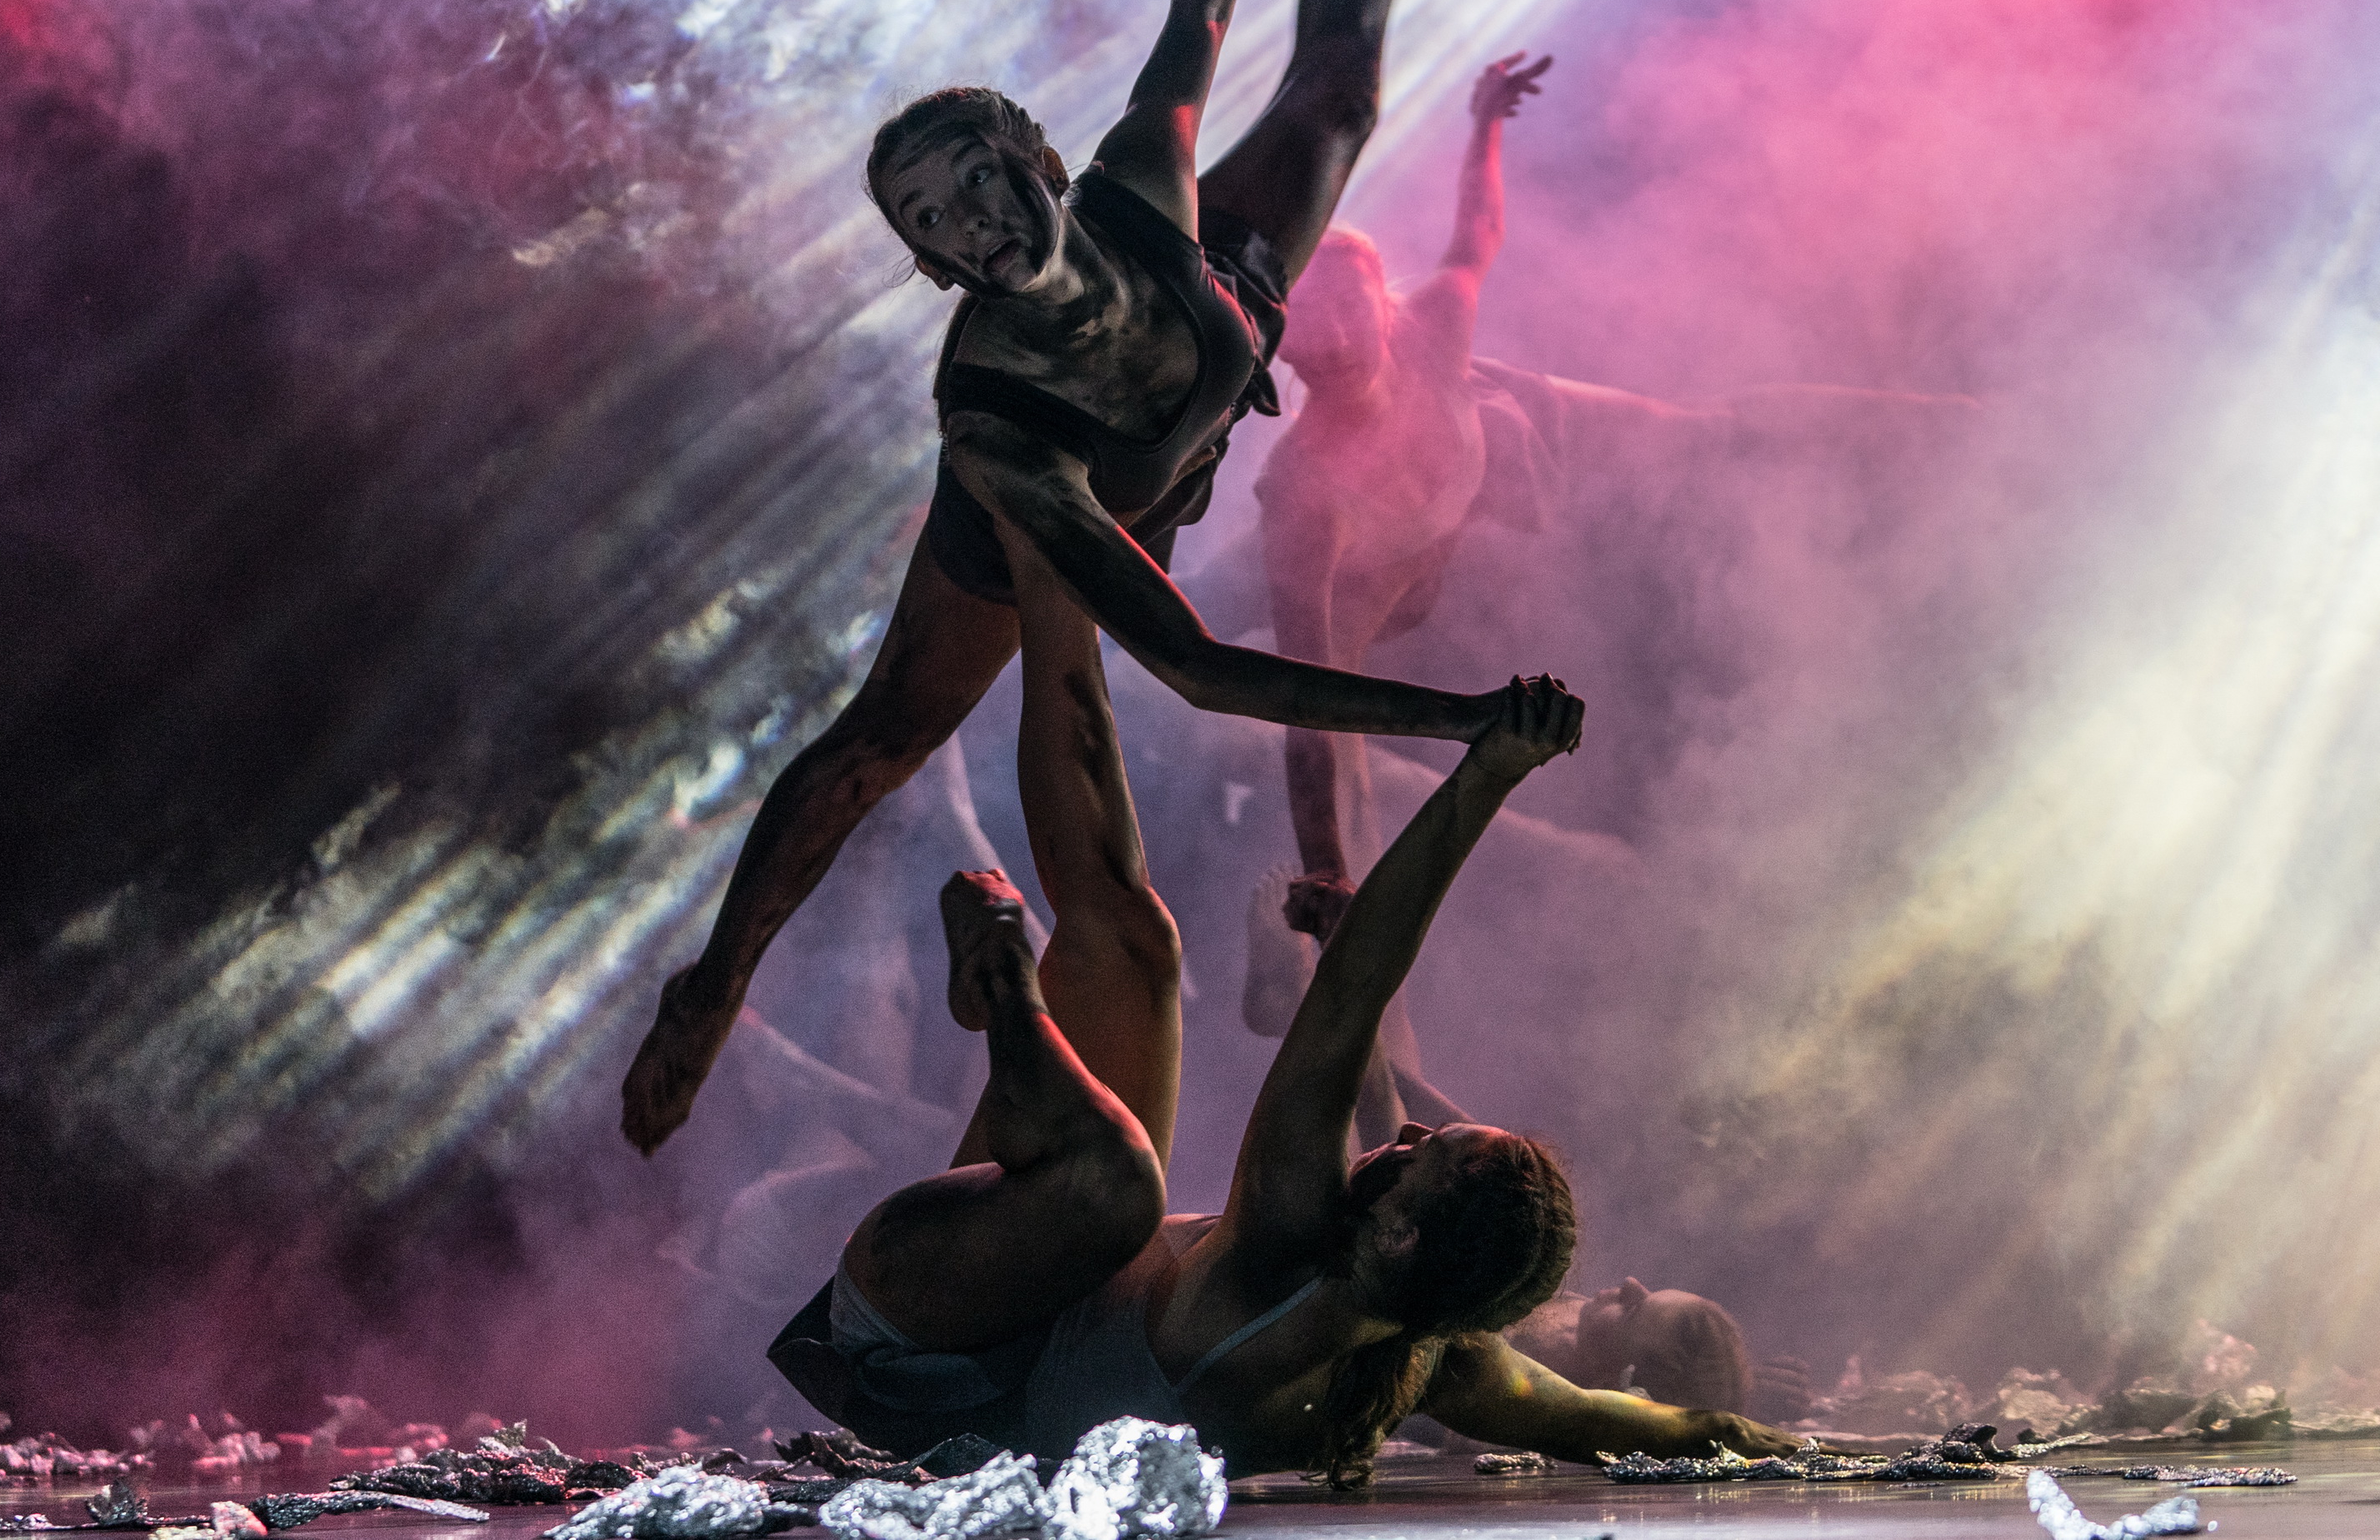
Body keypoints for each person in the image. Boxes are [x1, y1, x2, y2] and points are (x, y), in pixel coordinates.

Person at [624, 0, 1527, 1154]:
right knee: (885, 736)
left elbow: (1203, 8)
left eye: (975, 182)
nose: (968, 223)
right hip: (1061, 507)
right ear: (934, 267)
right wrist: (1468, 719)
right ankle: (713, 979)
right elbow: (1196, 663)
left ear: (1040, 160)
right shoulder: (998, 427)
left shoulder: (1138, 175)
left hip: (1210, 311)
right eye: (932, 223)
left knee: (1339, 95)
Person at [768, 583, 1801, 1482]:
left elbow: (1353, 990)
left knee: (1118, 1182)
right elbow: (1627, 1422)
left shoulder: (1285, 1243)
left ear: (1398, 1235)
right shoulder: (1434, 1355)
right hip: (1004, 1308)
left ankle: (1003, 982)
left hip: (912, 1335)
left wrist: (1488, 773)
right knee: (1136, 944)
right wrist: (1812, 1450)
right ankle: (1050, 579)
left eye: (1423, 1157)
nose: (1403, 1137)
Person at [1253, 52, 1976, 895]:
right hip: (1399, 565)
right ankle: (1339, 911)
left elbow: (1478, 230)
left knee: (1708, 426)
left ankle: (1943, 414)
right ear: (1278, 342)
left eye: (1346, 307)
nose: (1336, 340)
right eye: (1306, 321)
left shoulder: (1433, 328)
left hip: (1491, 443)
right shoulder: (1305, 496)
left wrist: (1485, 123)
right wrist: (1324, 866)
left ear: (1382, 303)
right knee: (1319, 695)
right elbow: (1303, 710)